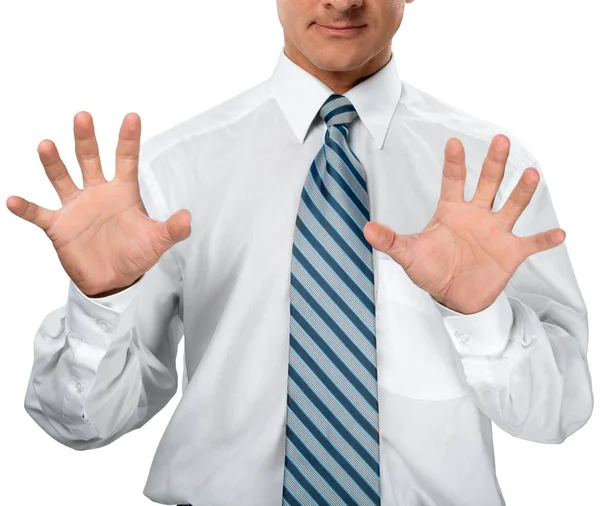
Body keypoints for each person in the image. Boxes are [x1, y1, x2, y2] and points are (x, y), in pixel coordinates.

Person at [7, 0, 593, 504]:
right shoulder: (171, 170)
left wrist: (481, 317)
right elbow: (83, 424)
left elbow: (557, 415)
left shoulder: (495, 174)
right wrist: (99, 301)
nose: (341, 0)